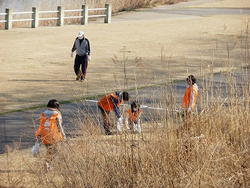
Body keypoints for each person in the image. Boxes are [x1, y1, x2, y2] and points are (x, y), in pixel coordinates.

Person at [35, 99, 66, 171]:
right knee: (54, 151)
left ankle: (47, 165)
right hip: (54, 136)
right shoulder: (56, 114)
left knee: (49, 150)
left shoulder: (43, 114)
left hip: (44, 135)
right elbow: (59, 126)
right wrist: (63, 135)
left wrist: (39, 135)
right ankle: (47, 164)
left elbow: (41, 125)